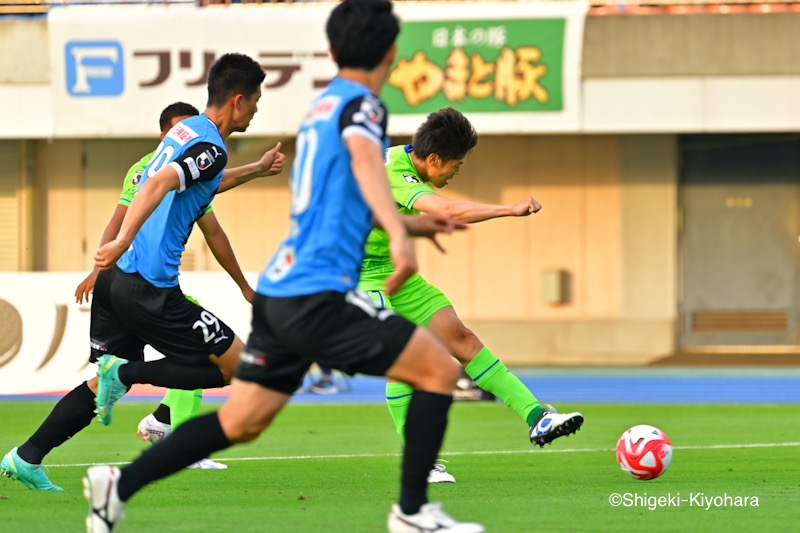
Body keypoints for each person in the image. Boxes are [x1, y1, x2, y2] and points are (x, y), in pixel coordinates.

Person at [82, 1, 484, 532]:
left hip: (282, 288)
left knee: (242, 419)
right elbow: (367, 167)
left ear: (334, 51)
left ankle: (119, 484)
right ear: (390, 53)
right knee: (437, 370)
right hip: (320, 292)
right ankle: (412, 512)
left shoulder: (321, 110)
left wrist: (404, 227)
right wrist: (402, 236)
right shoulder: (364, 107)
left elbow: (334, 205)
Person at [0, 53, 279, 492]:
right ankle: (130, 378)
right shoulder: (209, 146)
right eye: (258, 99)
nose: (259, 108)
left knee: (99, 383)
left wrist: (258, 170)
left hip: (116, 282)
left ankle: (26, 456)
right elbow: (158, 184)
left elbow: (196, 180)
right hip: (149, 287)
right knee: (236, 369)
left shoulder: (184, 134)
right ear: (239, 101)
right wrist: (125, 239)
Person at [360, 107, 584, 484]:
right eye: (456, 166)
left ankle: (537, 417)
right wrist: (509, 209)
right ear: (433, 159)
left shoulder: (403, 157)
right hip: (352, 274)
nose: (454, 173)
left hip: (390, 271)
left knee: (461, 338)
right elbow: (446, 211)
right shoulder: (394, 173)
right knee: (406, 357)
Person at [73, 101, 284, 471]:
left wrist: (257, 168)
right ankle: (165, 424)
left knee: (201, 357)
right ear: (166, 136)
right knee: (216, 360)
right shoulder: (145, 172)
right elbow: (120, 218)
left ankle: (163, 422)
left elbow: (215, 223)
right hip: (140, 285)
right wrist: (102, 261)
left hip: (152, 286)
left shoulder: (195, 172)